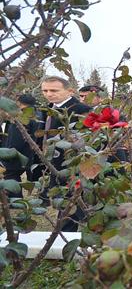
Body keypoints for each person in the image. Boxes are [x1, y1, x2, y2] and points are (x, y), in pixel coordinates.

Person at [39, 75, 92, 231]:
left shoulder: (80, 110)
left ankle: (66, 232)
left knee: (71, 202)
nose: (49, 94)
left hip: (73, 164)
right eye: (45, 90)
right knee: (66, 202)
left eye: (54, 90)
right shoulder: (50, 108)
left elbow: (86, 140)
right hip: (56, 163)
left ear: (70, 91)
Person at [0, 94, 41, 198]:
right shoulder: (37, 114)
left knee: (11, 175)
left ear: (19, 103)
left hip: (17, 154)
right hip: (28, 152)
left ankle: (15, 200)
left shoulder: (21, 117)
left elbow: (15, 140)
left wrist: (8, 154)